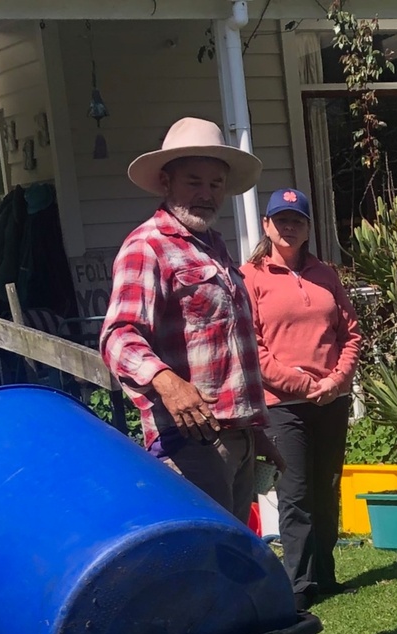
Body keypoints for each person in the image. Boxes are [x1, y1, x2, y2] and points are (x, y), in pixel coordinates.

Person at [101, 117, 284, 519]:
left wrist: (254, 432)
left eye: (215, 184)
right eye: (194, 182)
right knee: (204, 564)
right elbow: (118, 336)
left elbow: (227, 349)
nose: (206, 194)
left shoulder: (214, 246)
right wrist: (168, 384)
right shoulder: (147, 246)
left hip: (235, 439)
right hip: (190, 441)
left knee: (233, 560)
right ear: (166, 182)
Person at [242, 188, 362, 612]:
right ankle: (299, 583)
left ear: (308, 227)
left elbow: (351, 334)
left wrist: (337, 380)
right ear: (267, 225)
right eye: (281, 220)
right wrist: (300, 385)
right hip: (283, 404)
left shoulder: (325, 274)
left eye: (297, 220)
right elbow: (252, 347)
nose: (289, 227)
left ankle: (326, 575)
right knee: (295, 491)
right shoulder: (251, 277)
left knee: (327, 489)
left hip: (332, 398)